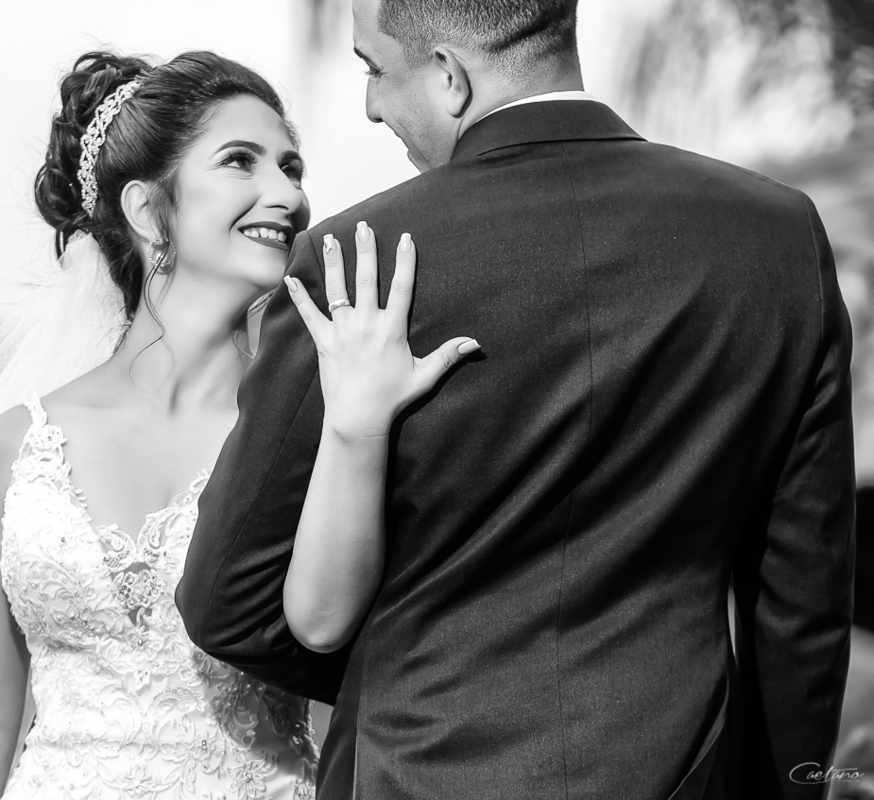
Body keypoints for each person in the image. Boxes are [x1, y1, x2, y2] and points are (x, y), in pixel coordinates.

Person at [176, 0, 856, 798]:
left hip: (414, 770)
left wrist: (409, 671)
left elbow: (229, 601)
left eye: (374, 70)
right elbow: (802, 592)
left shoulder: (356, 266)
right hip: (681, 767)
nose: (370, 106)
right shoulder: (776, 236)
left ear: (449, 76)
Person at [0, 49, 474, 800]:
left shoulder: (311, 427)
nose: (288, 196)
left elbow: (331, 626)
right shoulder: (14, 449)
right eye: (240, 161)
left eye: (292, 168)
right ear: (147, 210)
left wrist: (358, 426)